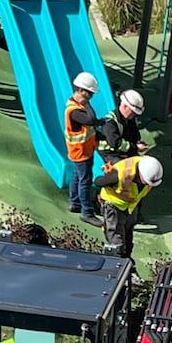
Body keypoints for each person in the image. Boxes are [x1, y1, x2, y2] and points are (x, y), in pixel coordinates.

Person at [93, 155, 163, 259]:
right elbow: (98, 182)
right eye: (147, 182)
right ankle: (116, 260)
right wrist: (105, 174)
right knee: (116, 238)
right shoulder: (121, 175)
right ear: (140, 174)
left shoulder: (150, 169)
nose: (149, 185)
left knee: (128, 235)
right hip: (113, 205)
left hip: (129, 207)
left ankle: (126, 258)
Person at [65, 72, 102, 227]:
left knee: (76, 177)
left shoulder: (77, 106)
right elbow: (91, 120)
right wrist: (88, 105)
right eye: (89, 94)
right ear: (80, 90)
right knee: (85, 181)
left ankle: (75, 203)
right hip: (81, 152)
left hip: (82, 150)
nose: (91, 97)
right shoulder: (75, 110)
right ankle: (86, 212)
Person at [97, 89, 148, 164]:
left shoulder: (130, 118)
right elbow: (115, 143)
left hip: (123, 148)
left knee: (139, 163)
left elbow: (134, 133)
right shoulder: (109, 122)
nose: (134, 115)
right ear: (125, 106)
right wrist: (135, 147)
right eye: (133, 112)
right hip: (110, 152)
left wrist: (137, 142)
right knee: (123, 168)